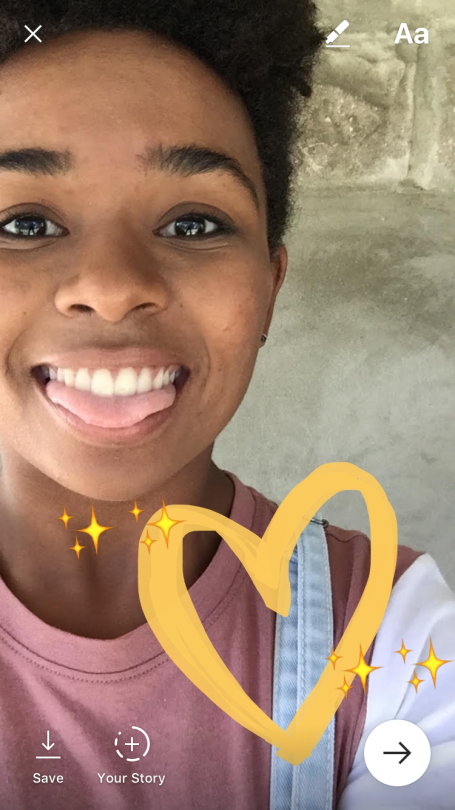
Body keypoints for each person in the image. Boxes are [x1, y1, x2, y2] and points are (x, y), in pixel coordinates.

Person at [0, 2, 453, 809]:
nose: (111, 286)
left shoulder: (393, 631)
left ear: (268, 290)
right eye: (25, 222)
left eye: (192, 223)